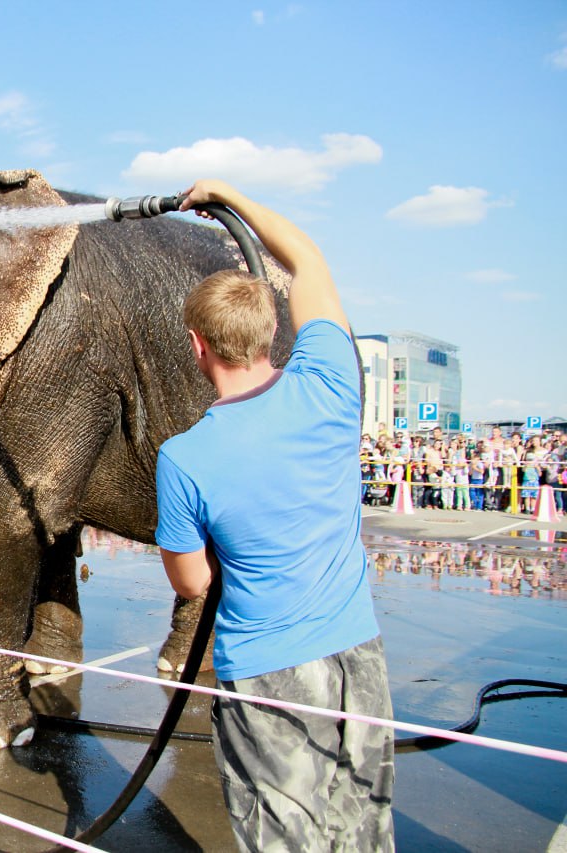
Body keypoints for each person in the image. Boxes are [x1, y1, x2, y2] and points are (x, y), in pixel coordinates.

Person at [155, 180, 394, 851]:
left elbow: (192, 583)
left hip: (269, 675)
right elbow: (308, 261)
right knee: (364, 831)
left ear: (198, 346)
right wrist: (234, 197)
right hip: (358, 656)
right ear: (271, 330)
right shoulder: (332, 380)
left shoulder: (186, 457)